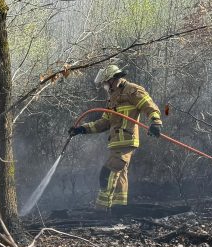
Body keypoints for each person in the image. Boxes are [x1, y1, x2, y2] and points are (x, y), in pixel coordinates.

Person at [68, 64, 163, 209]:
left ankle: (101, 210)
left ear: (113, 79)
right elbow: (104, 122)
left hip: (126, 141)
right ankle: (119, 209)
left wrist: (156, 122)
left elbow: (148, 105)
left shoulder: (132, 90)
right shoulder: (112, 98)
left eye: (106, 82)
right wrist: (82, 129)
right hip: (116, 143)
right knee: (119, 177)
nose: (105, 86)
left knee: (107, 173)